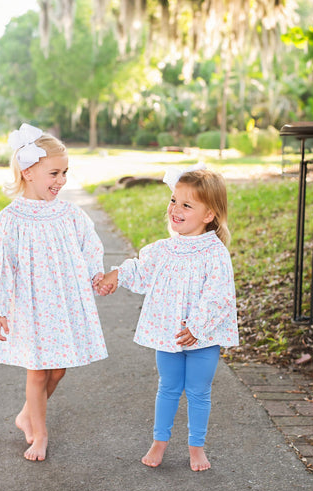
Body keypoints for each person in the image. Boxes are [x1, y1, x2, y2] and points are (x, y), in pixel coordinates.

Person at [95, 163, 238, 471]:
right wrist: (115, 276)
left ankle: (196, 447)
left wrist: (197, 327)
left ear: (208, 214)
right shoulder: (163, 250)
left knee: (199, 391)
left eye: (187, 204)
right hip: (169, 334)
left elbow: (219, 296)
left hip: (203, 338)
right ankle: (159, 441)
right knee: (168, 386)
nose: (176, 208)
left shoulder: (215, 253)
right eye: (174, 200)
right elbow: (139, 268)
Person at [0, 123, 108, 462]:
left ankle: (26, 414)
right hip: (29, 305)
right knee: (37, 370)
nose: (62, 180)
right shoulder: (11, 219)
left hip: (62, 303)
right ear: (28, 172)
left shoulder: (69, 213)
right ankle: (39, 433)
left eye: (65, 172)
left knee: (59, 369)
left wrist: (96, 272)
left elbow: (89, 244)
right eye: (54, 172)